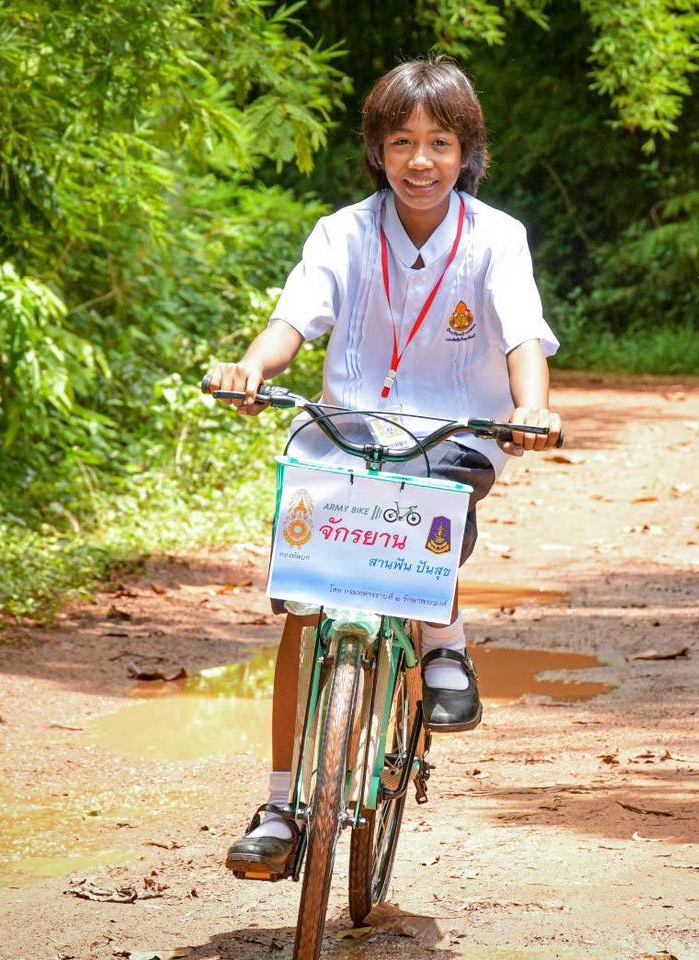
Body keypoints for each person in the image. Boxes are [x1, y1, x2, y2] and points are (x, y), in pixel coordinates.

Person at [205, 56, 562, 880]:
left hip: (453, 437)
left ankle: (444, 643)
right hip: (344, 433)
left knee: (434, 510)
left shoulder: (498, 237)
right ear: (377, 149)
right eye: (401, 141)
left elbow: (521, 336)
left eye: (440, 141)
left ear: (467, 149)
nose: (420, 160)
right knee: (304, 611)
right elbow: (294, 316)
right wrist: (250, 370)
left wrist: (531, 408)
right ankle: (282, 804)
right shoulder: (341, 232)